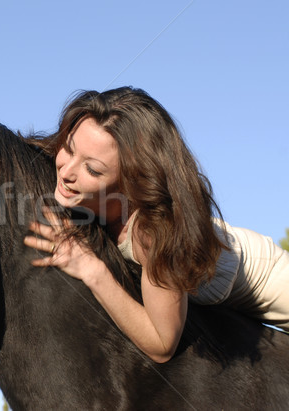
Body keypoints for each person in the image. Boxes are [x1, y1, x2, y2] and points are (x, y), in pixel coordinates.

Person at [23, 87, 289, 363]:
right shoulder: (69, 173)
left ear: (131, 181)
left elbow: (162, 345)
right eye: (68, 148)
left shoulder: (151, 232)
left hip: (262, 275)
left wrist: (92, 269)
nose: (66, 172)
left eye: (92, 169)